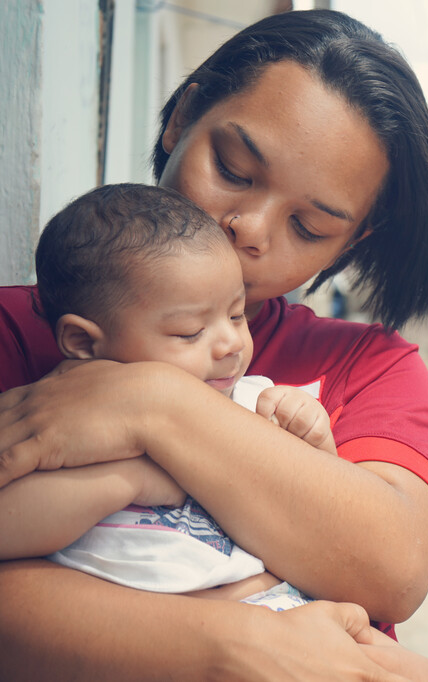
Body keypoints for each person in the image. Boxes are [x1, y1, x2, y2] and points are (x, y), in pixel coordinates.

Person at [0, 9, 428, 681]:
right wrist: (228, 646)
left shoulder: (363, 367)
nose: (249, 228)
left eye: (308, 226)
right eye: (235, 169)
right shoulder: (18, 330)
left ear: (350, 243)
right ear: (182, 117)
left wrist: (153, 404)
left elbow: (390, 570)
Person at [0, 184, 335, 611]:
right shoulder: (63, 422)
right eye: (190, 332)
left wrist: (317, 438)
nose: (231, 343)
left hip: (274, 610)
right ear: (83, 342)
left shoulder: (257, 403)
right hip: (142, 641)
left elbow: (319, 515)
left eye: (236, 313)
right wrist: (138, 477)